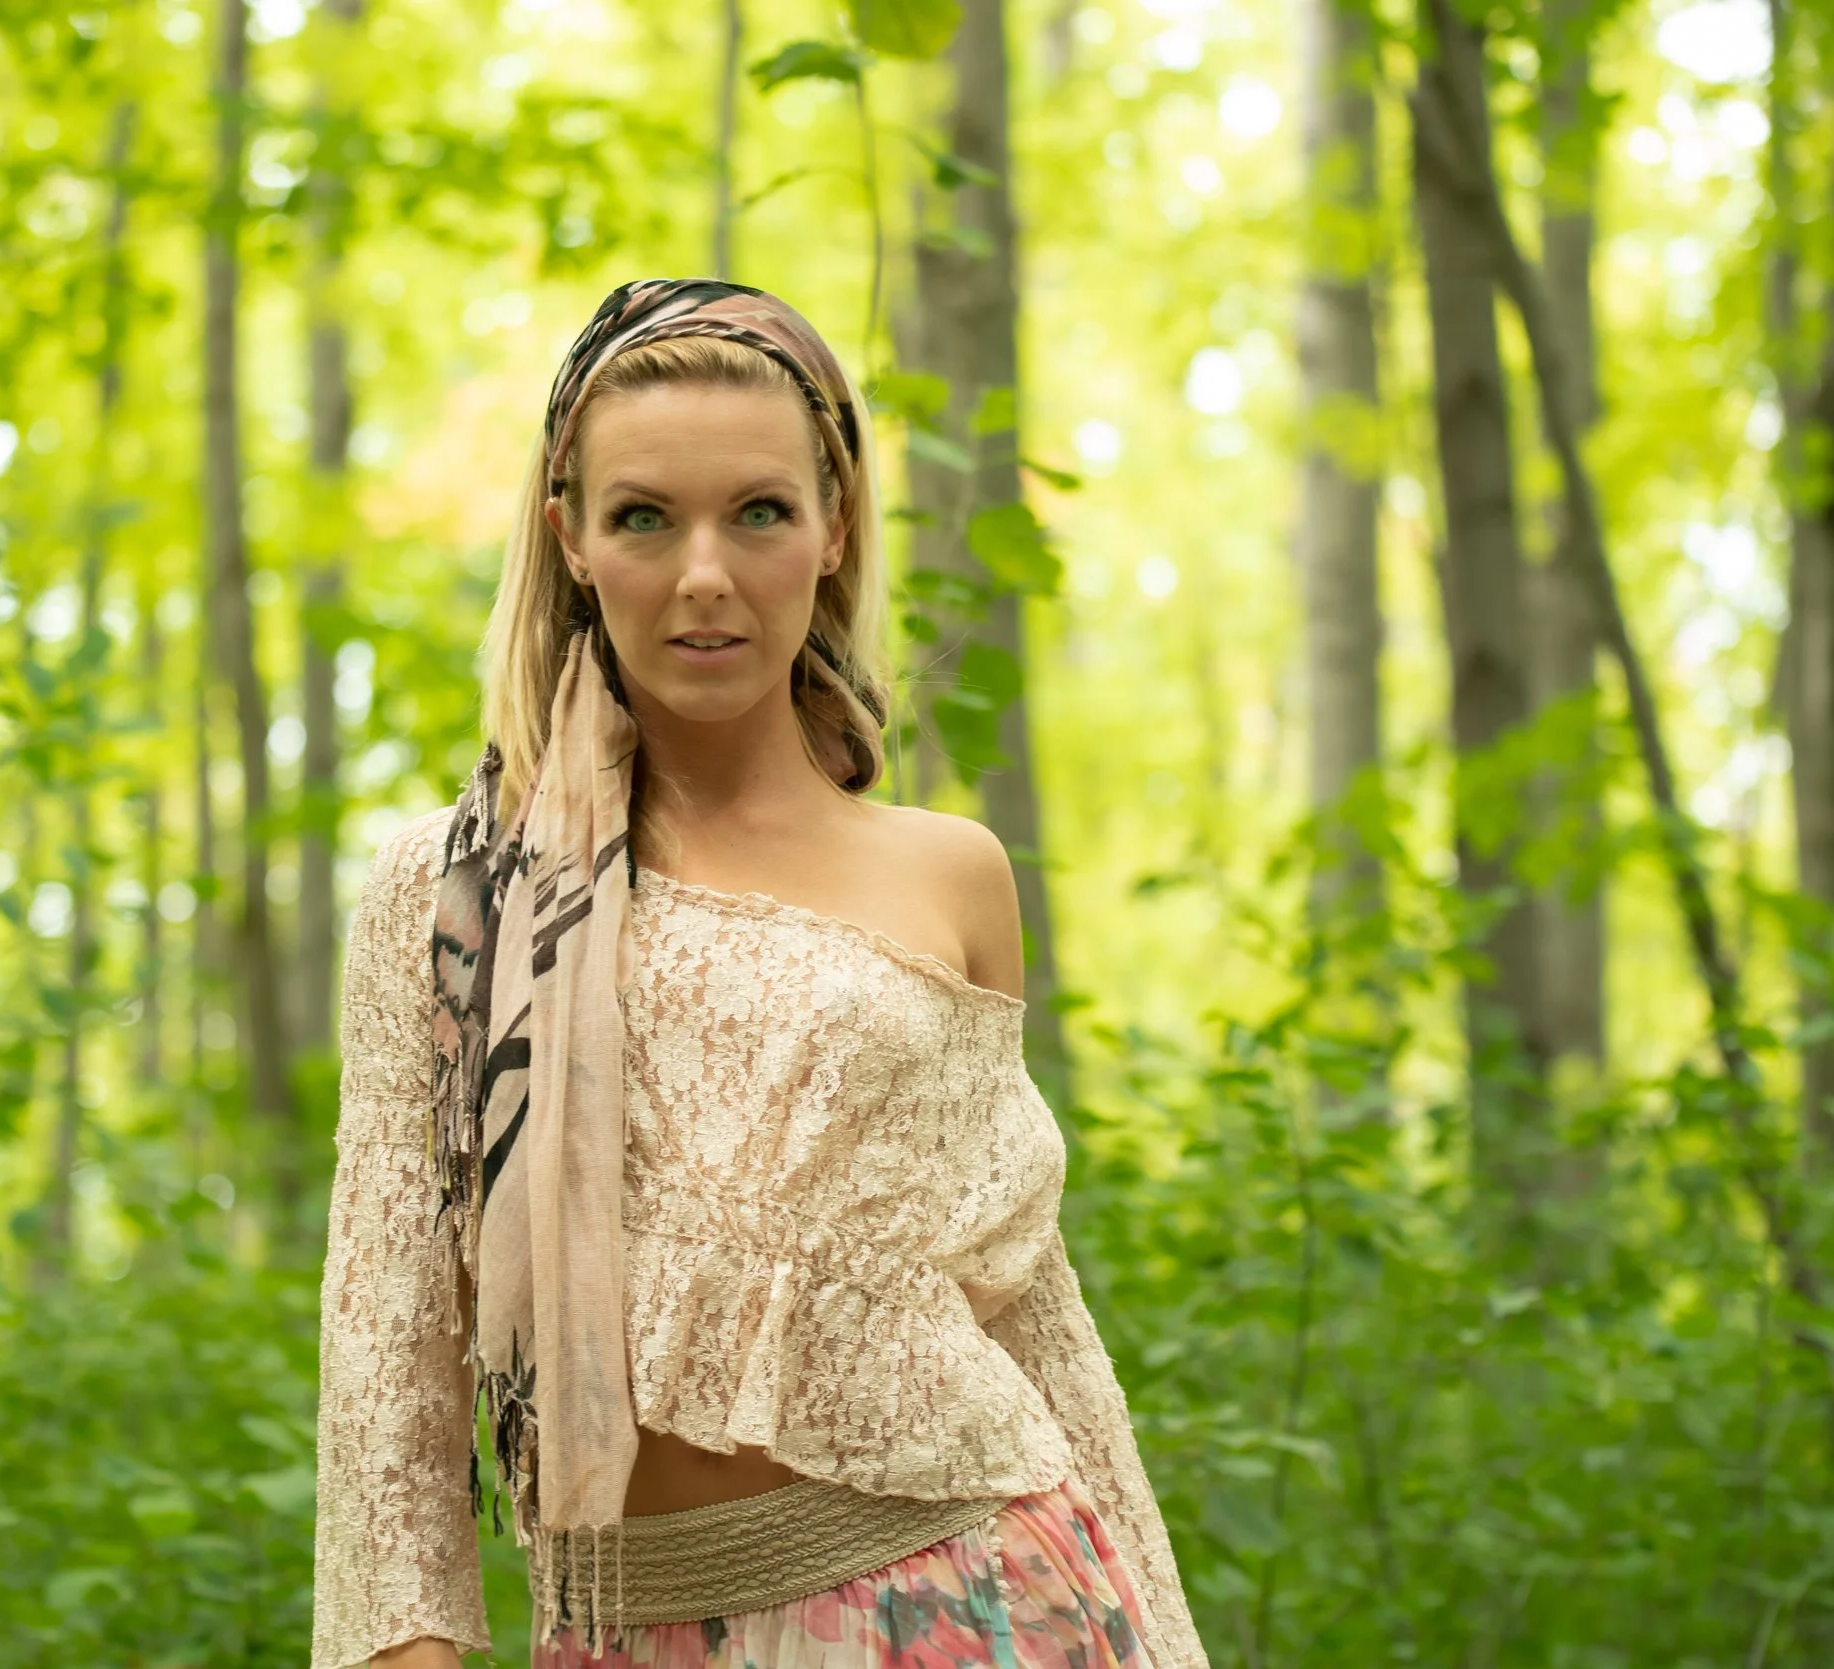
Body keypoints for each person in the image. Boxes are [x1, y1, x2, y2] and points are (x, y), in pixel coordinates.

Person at [309, 278, 1207, 1669]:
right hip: (628, 1628)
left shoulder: (947, 874)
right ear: (572, 540)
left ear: (835, 526)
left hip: (974, 1598)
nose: (706, 576)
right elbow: (390, 1339)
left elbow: (1031, 1309)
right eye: (645, 518)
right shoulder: (455, 892)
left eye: (762, 512)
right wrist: (409, 1646)